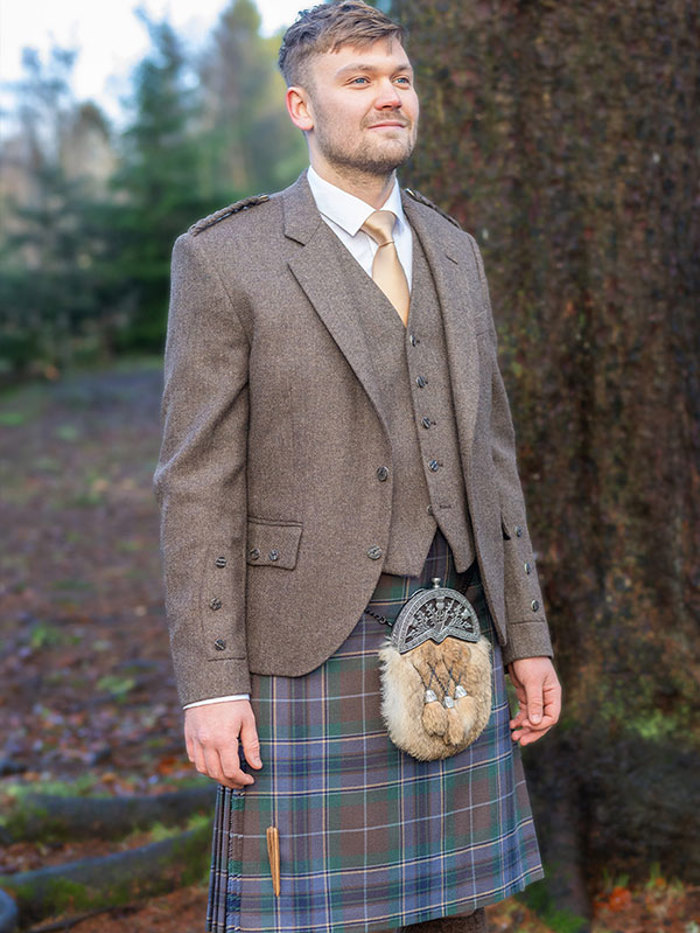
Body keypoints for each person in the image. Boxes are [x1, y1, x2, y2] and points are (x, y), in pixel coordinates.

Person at [154, 2, 561, 931]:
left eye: (400, 78)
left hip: (455, 627)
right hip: (306, 647)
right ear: (302, 106)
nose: (389, 97)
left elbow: (492, 461)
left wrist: (528, 634)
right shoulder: (228, 259)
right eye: (360, 79)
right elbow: (197, 482)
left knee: (458, 911)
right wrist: (212, 683)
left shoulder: (455, 252)